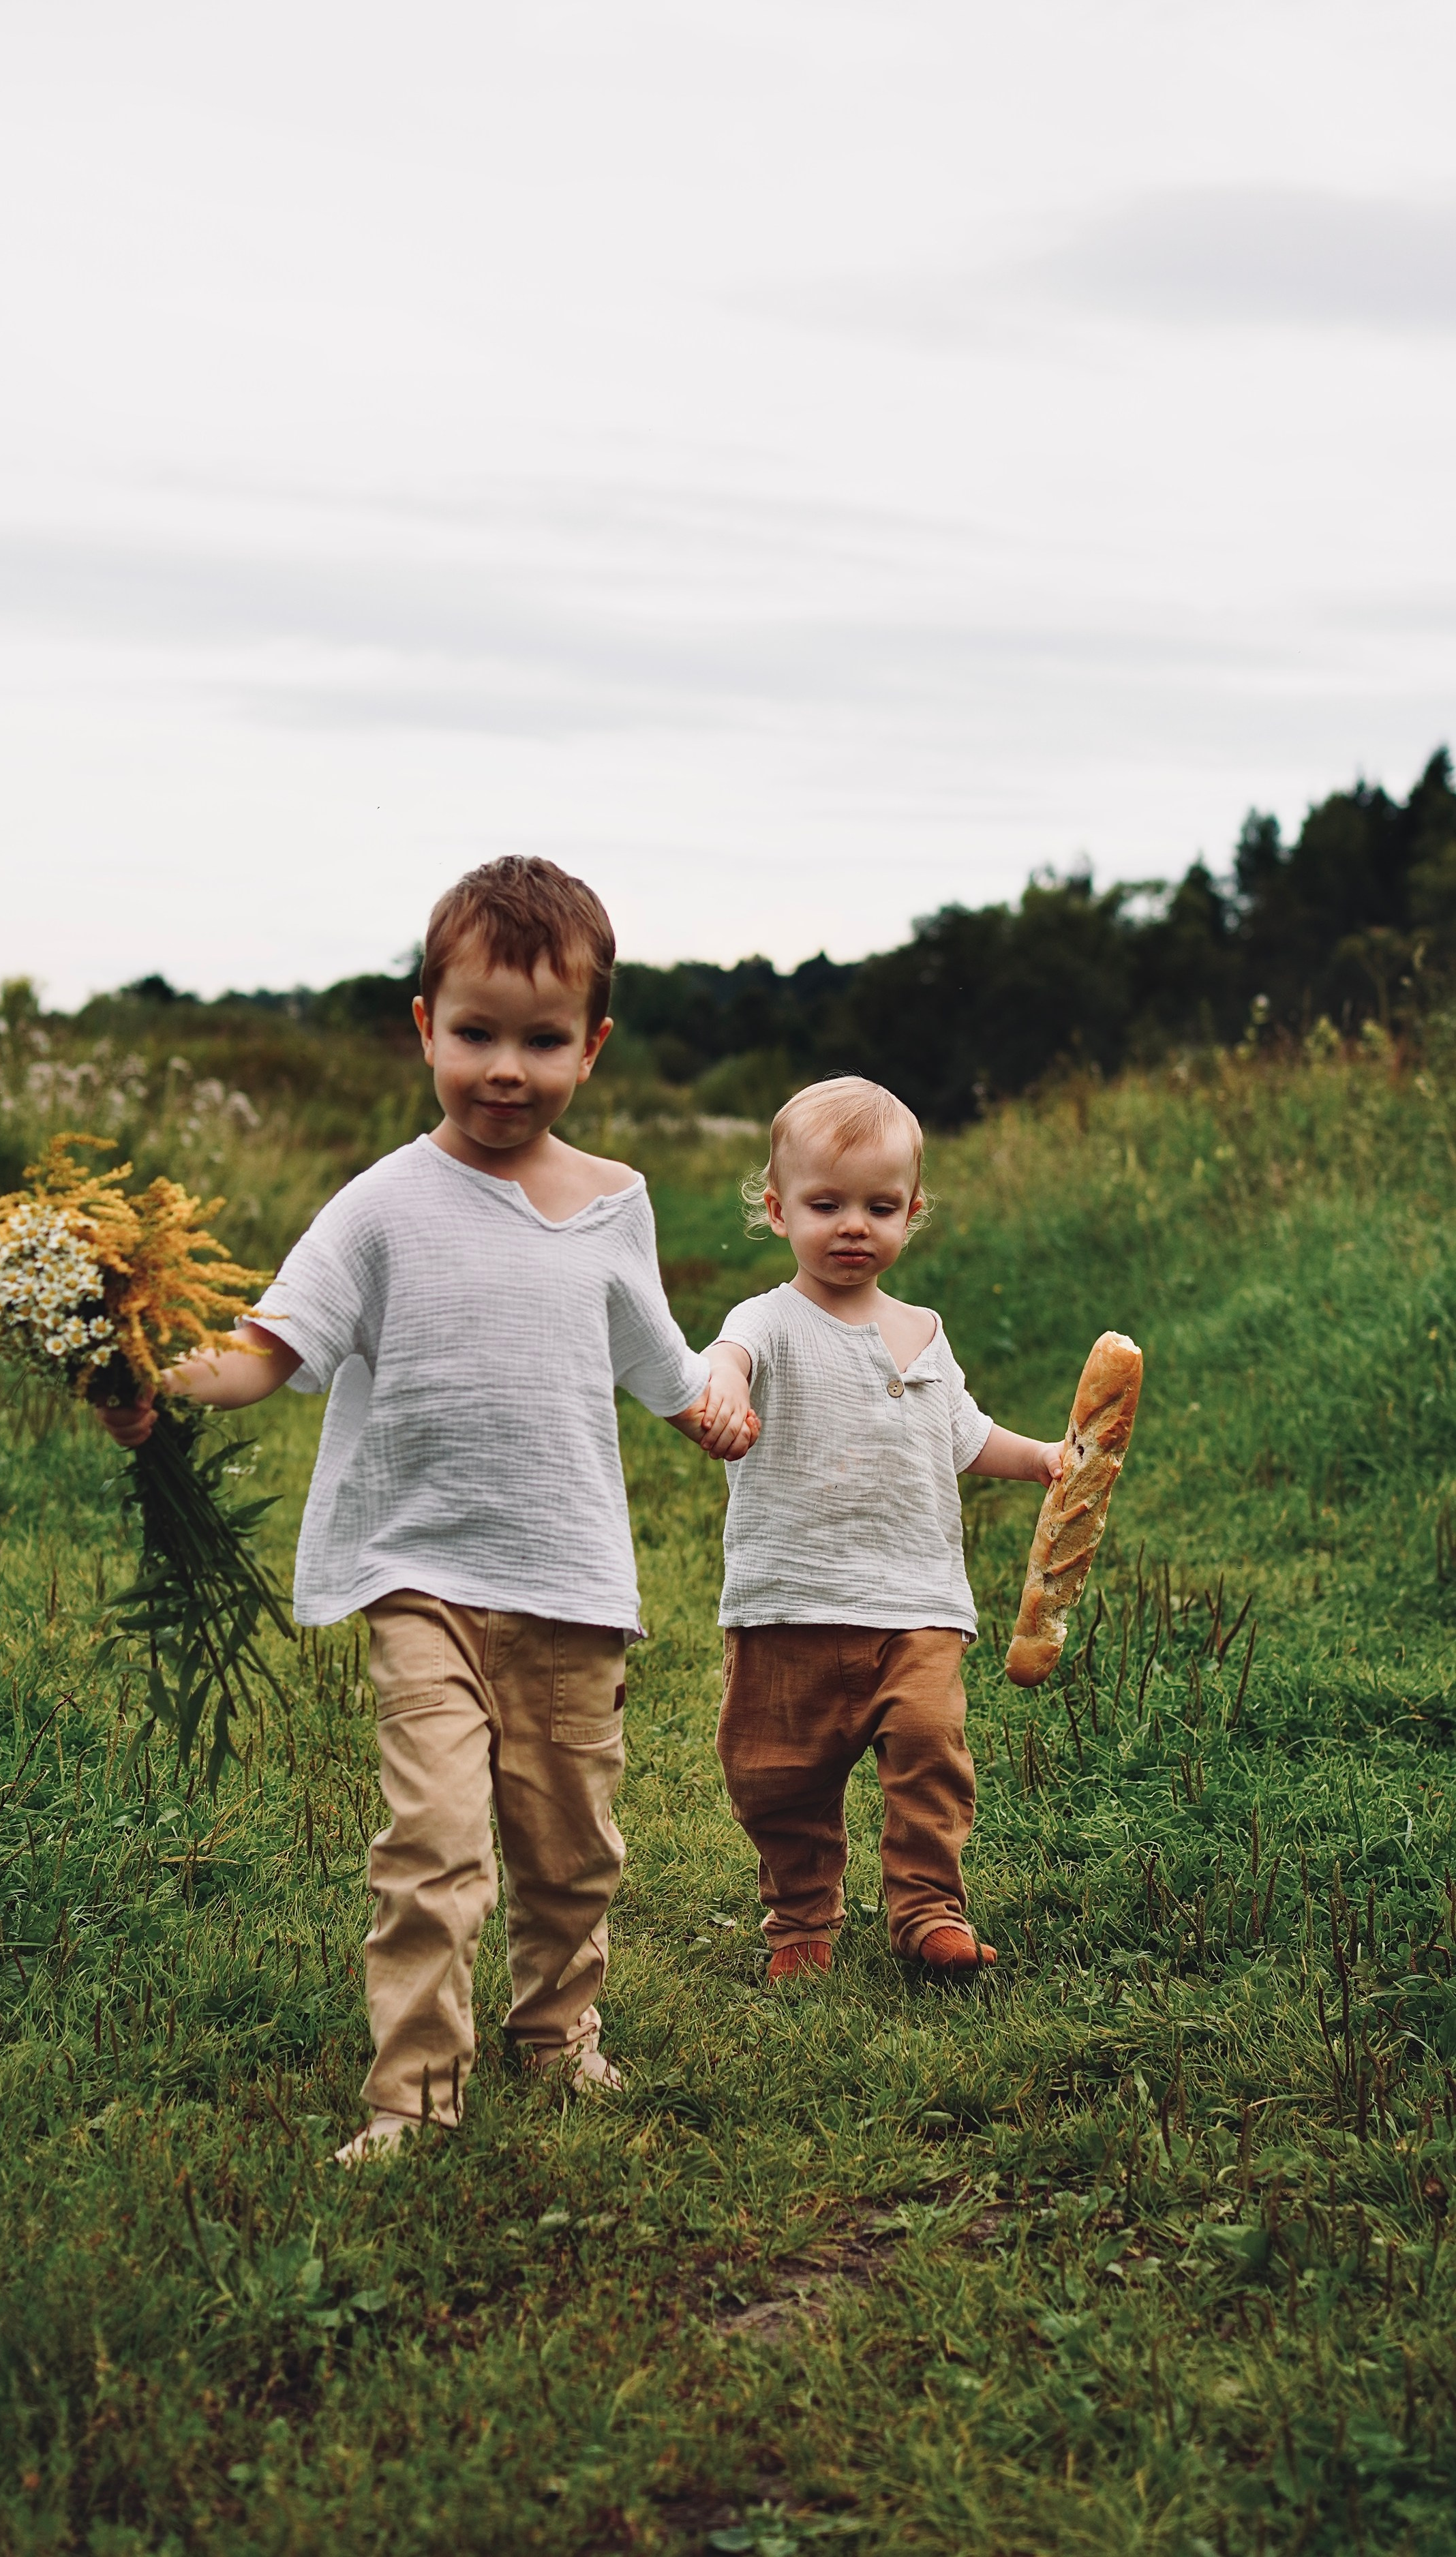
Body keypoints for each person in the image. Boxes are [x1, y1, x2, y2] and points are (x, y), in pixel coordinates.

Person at [101, 856, 756, 2154]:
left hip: (569, 1579)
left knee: (571, 1850)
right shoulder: (382, 1207)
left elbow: (655, 1357)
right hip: (421, 1581)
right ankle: (411, 2099)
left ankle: (559, 2033)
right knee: (434, 1845)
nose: (504, 1068)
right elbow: (264, 1351)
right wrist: (151, 1378)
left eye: (541, 1040)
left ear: (593, 1047)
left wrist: (712, 1401)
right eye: (474, 1035)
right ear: (424, 1026)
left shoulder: (615, 1204)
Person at [702, 1076, 1061, 1986]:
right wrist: (725, 1391)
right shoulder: (766, 1321)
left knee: (932, 1752)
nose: (852, 1225)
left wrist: (1043, 1460)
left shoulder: (923, 1332)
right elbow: (726, 1359)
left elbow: (963, 1434)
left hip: (916, 1599)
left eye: (879, 1205)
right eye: (826, 1204)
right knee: (778, 1778)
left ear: (911, 1212)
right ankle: (800, 1920)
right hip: (791, 1598)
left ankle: (927, 1910)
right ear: (779, 1211)